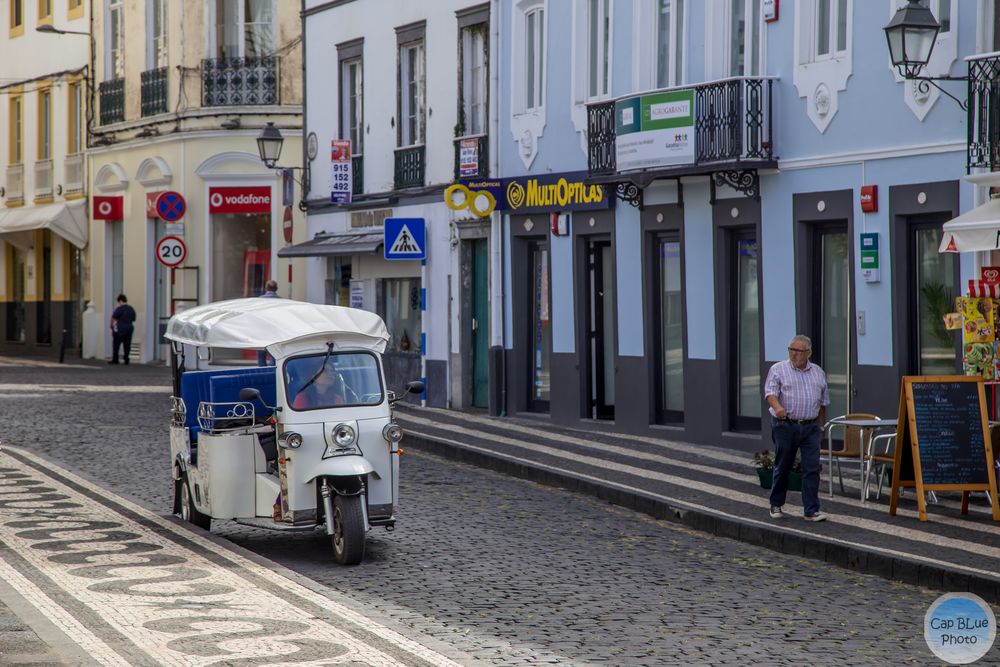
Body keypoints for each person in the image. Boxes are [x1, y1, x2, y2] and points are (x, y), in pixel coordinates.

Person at [763, 334, 830, 522]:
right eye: (791, 350)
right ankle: (776, 504)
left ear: (808, 353)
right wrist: (778, 408)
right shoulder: (778, 369)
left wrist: (821, 427)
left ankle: (811, 510)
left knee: (812, 467)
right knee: (783, 465)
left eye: (798, 351)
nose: (793, 354)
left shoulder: (818, 372)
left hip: (810, 427)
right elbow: (770, 393)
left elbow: (823, 403)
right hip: (786, 425)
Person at [109, 294, 136, 365]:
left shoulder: (119, 309)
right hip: (129, 328)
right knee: (127, 344)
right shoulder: (131, 309)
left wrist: (111, 326)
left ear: (120, 301)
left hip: (120, 329)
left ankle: (115, 359)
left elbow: (113, 318)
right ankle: (126, 359)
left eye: (118, 302)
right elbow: (133, 319)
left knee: (116, 344)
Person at [258, 280, 280, 365]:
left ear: (266, 288)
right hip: (275, 331)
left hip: (261, 330)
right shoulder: (281, 301)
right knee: (274, 353)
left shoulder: (259, 300)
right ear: (276, 289)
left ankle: (262, 373)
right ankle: (273, 373)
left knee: (261, 354)